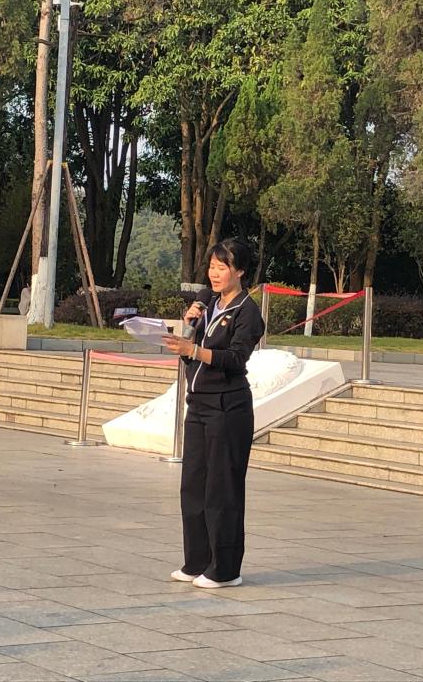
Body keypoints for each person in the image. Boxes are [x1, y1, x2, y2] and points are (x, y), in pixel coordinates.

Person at [161, 238, 265, 589]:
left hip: (228, 408)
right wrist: (186, 332)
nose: (214, 274)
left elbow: (235, 358)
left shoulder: (247, 312)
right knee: (193, 486)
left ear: (241, 271)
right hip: (199, 404)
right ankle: (197, 562)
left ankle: (225, 570)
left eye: (223, 267)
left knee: (222, 490)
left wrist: (194, 350)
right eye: (212, 267)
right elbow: (191, 354)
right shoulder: (207, 304)